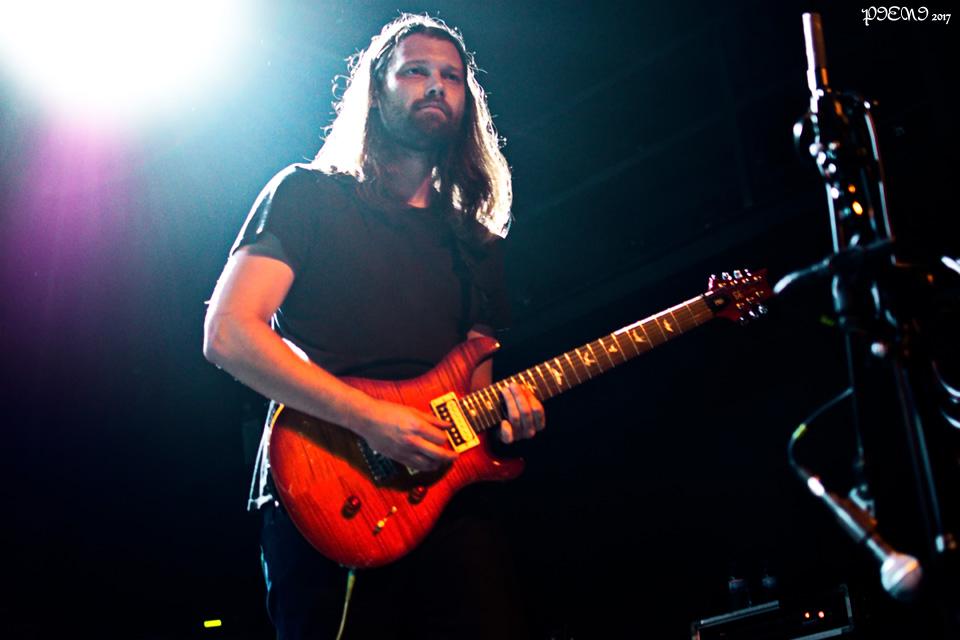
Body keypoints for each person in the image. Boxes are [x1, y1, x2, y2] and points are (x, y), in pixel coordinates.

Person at [203, 14, 544, 639]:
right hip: (328, 490)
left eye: (451, 77)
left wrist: (507, 420)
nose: (436, 85)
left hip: (447, 513)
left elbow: (474, 399)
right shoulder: (306, 195)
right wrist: (368, 418)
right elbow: (229, 332)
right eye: (415, 71)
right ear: (376, 91)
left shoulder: (477, 246)